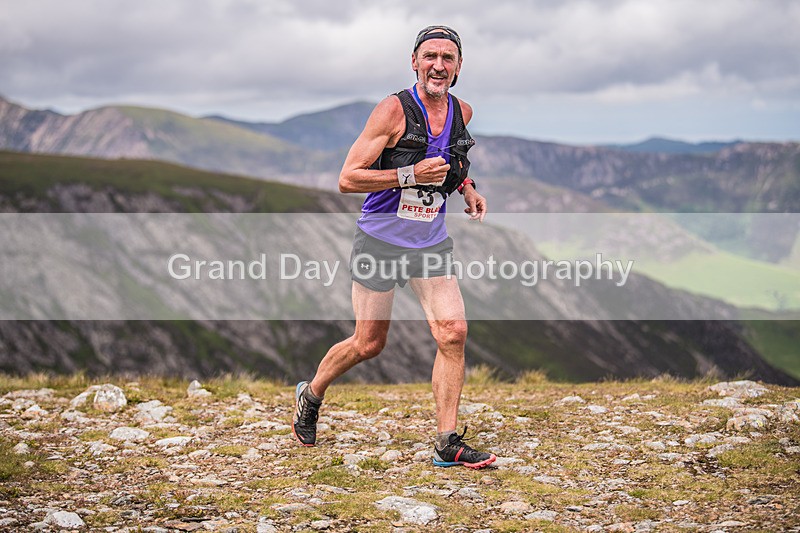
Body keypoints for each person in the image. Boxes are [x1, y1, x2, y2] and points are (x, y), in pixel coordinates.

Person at [292, 25, 496, 469]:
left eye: (447, 58)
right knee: (368, 343)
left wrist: (467, 188)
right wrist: (409, 176)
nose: (438, 65)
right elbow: (348, 178)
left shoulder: (462, 111)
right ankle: (312, 393)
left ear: (459, 66)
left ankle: (446, 442)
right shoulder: (392, 110)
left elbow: (453, 160)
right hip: (380, 240)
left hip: (430, 243)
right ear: (414, 62)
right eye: (430, 56)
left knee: (453, 332)